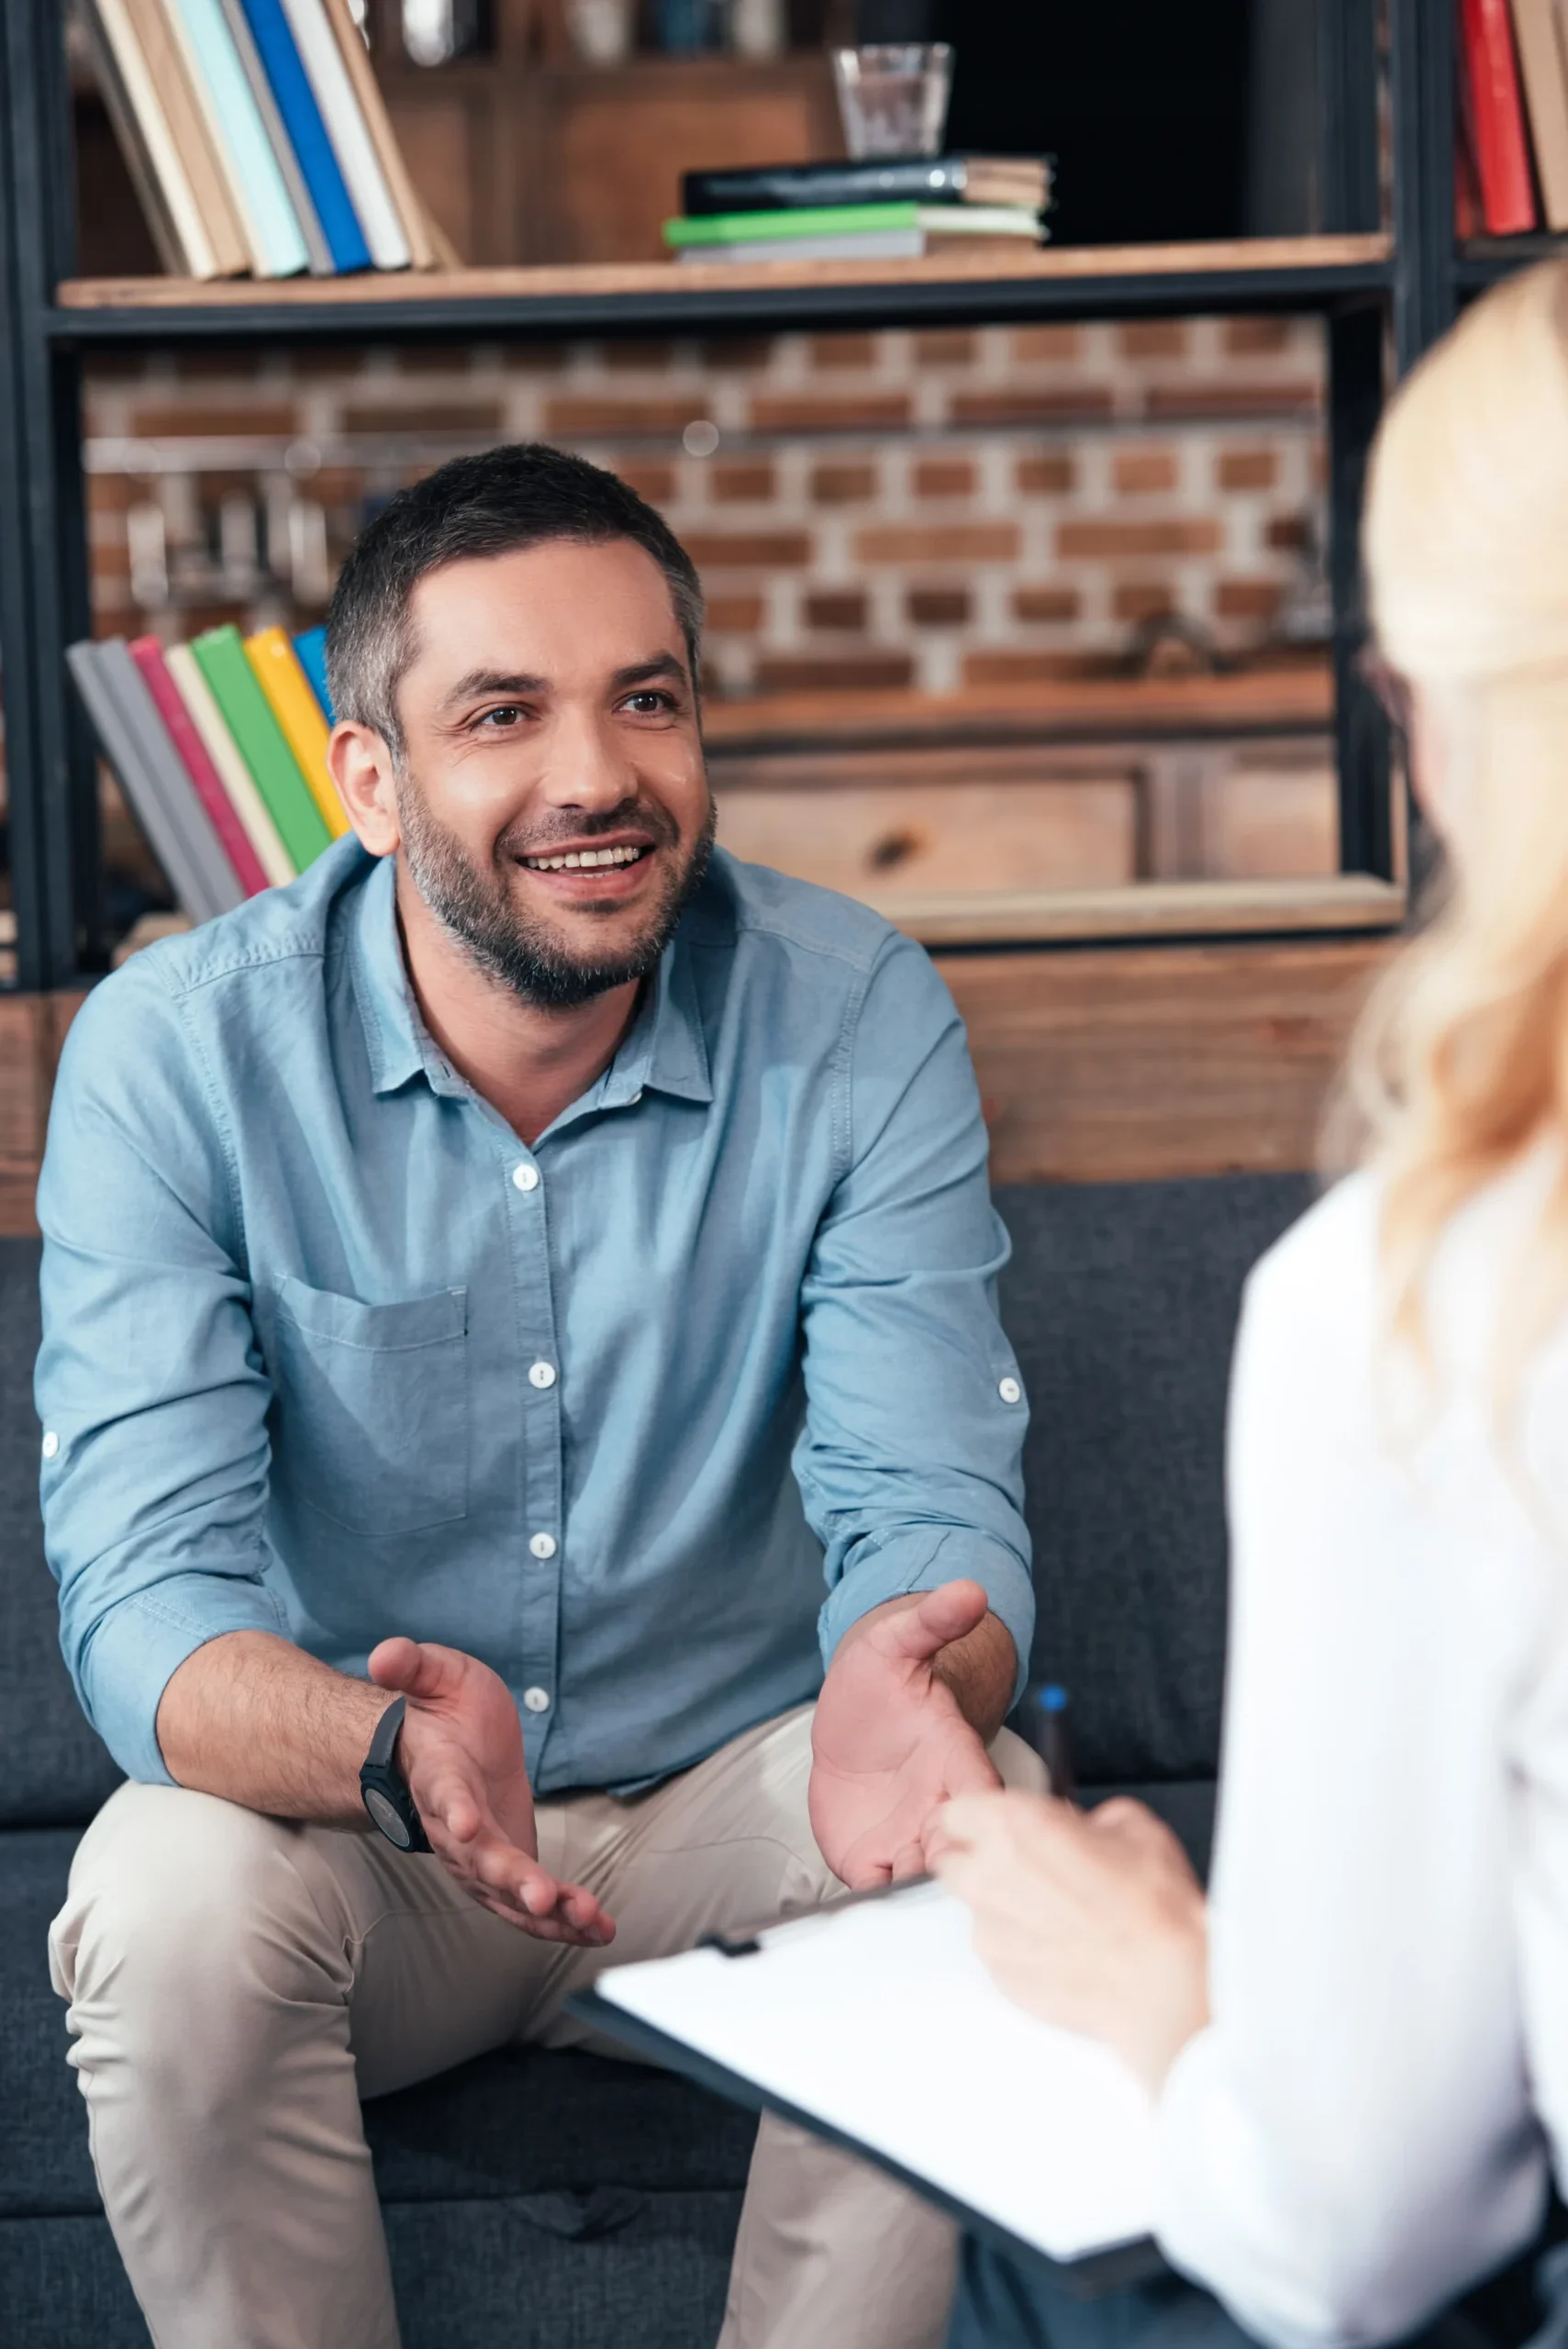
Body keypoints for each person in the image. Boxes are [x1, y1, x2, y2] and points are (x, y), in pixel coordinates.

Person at [38, 441, 1046, 2349]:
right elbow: (143, 1604)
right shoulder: (173, 1056)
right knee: (155, 1888)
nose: (594, 773)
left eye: (643, 699)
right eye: (504, 712)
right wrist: (371, 1747)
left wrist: (917, 1682)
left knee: (990, 1827)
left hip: (742, 1807)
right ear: (367, 781)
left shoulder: (853, 1009)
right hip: (377, 1837)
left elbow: (926, 1504)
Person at [934, 255, 1568, 2349]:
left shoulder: (1422, 1305)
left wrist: (1156, 1983)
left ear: (1434, 722)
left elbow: (1347, 2230)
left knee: (1048, 2262)